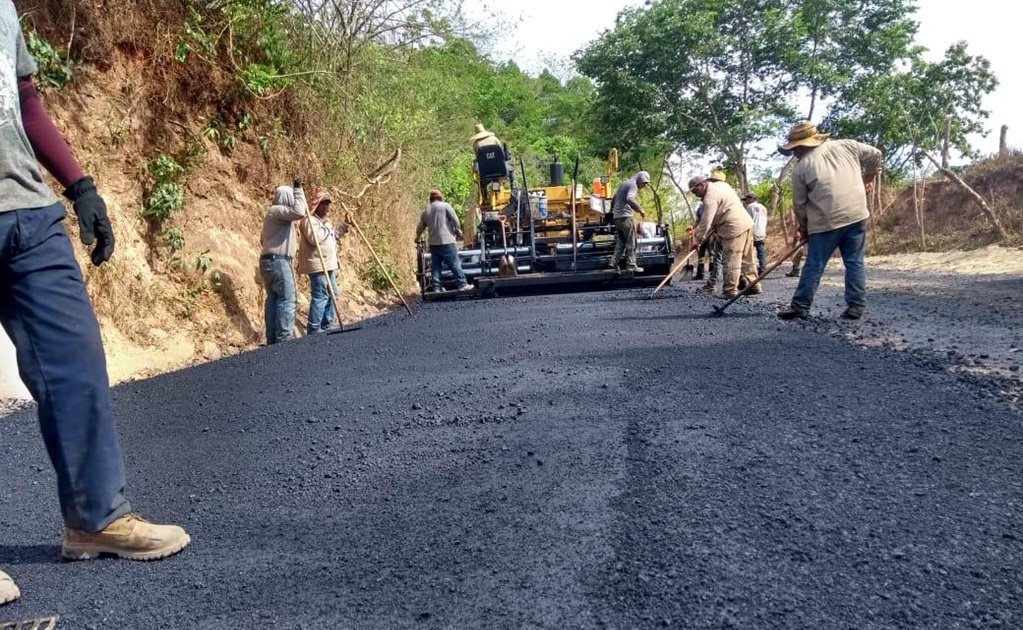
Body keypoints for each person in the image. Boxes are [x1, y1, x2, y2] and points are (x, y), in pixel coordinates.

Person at [1, 4, 189, 606]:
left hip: (29, 213)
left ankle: (95, 519)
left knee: (75, 365)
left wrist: (79, 185)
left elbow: (25, 101)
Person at [775, 121, 882, 320]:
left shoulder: (801, 168)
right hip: (857, 215)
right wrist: (869, 177)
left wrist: (804, 229)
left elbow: (800, 205)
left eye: (795, 149)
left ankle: (800, 306)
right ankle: (856, 306)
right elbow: (876, 154)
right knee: (854, 262)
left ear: (802, 145)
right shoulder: (847, 145)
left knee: (814, 264)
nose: (794, 153)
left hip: (826, 222)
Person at [688, 175, 760, 300]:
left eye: (695, 191)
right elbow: (723, 209)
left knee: (730, 260)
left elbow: (706, 222)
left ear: (702, 184)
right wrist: (716, 224)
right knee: (747, 258)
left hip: (733, 228)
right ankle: (754, 285)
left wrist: (697, 240)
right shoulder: (722, 185)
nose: (696, 195)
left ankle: (730, 290)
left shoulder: (709, 198)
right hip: (746, 224)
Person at [259, 180, 308, 343]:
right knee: (287, 298)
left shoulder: (274, 216)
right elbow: (299, 212)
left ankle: (273, 339)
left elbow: (262, 239)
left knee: (273, 299)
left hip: (269, 261)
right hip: (279, 261)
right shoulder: (277, 211)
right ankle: (284, 338)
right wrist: (298, 190)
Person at [297, 189, 348, 334]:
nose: (326, 207)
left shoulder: (325, 222)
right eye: (323, 203)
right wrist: (326, 226)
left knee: (334, 293)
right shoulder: (308, 221)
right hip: (317, 264)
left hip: (329, 264)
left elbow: (333, 236)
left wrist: (345, 225)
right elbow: (315, 238)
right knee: (320, 295)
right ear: (317, 205)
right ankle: (314, 328)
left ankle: (327, 324)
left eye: (328, 204)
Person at [416, 189, 469, 292]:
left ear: (430, 199)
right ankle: (462, 284)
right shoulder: (445, 206)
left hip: (434, 243)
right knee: (454, 263)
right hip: (447, 241)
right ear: (440, 198)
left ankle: (437, 287)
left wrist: (417, 237)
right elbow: (455, 220)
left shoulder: (426, 211)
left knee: (436, 265)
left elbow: (420, 227)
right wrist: (458, 231)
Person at [609, 170, 651, 272]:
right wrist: (640, 209)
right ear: (640, 179)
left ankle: (613, 262)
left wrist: (611, 211)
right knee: (631, 242)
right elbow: (630, 199)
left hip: (617, 218)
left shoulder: (625, 183)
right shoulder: (633, 184)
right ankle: (631, 266)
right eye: (644, 183)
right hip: (626, 217)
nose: (644, 186)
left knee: (621, 242)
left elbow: (614, 197)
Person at [743, 192, 769, 274]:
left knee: (748, 251)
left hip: (752, 231)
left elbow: (746, 220)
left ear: (751, 199)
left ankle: (750, 268)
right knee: (760, 249)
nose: (745, 201)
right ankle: (763, 266)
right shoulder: (763, 207)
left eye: (746, 199)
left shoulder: (749, 207)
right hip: (761, 231)